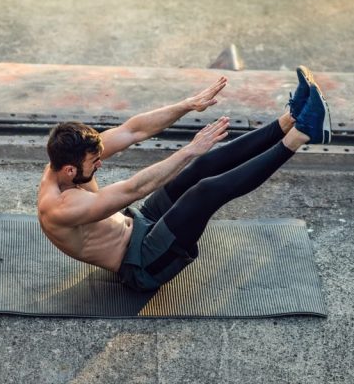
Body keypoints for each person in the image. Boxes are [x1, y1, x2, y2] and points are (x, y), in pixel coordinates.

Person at [37, 66, 331, 291]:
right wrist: (189, 149)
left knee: (198, 170)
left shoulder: (67, 157)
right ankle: (302, 134)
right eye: (94, 162)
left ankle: (289, 119)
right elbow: (135, 188)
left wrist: (187, 104)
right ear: (71, 172)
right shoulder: (60, 207)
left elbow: (132, 130)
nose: (100, 163)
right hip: (142, 261)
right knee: (203, 191)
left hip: (139, 223)